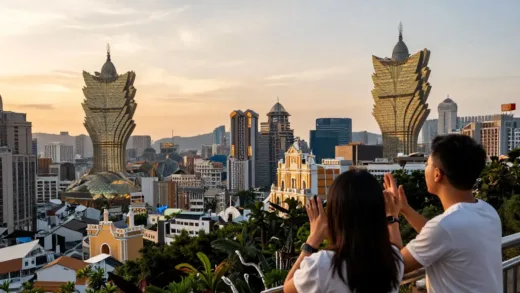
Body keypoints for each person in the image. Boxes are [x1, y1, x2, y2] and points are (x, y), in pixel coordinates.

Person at [384, 134, 502, 292]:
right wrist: (404, 208)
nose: (425, 169)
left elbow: (394, 267)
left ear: (437, 174)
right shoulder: (487, 211)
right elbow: (445, 237)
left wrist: (391, 217)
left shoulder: (445, 227)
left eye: (427, 164)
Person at [283, 169, 404, 293]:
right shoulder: (393, 261)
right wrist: (392, 216)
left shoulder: (322, 265)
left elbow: (288, 288)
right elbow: (397, 250)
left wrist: (312, 240)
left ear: (335, 214)